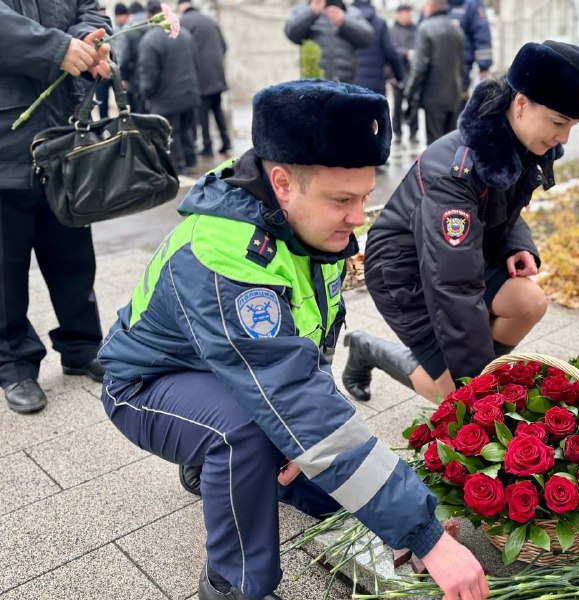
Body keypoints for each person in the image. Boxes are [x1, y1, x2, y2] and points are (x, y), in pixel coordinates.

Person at [97, 79, 489, 600]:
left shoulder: (305, 226)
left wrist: (309, 450)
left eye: (366, 197)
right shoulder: (224, 254)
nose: (358, 219)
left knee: (327, 492)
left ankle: (208, 468)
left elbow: (306, 360)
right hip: (144, 386)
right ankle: (232, 585)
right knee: (248, 434)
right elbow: (293, 398)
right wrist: (426, 536)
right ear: (282, 182)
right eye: (343, 200)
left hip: (222, 371)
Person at [342, 40, 579, 403]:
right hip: (405, 272)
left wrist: (517, 243)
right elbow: (452, 287)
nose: (564, 138)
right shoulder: (457, 172)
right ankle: (368, 349)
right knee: (455, 397)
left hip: (460, 256)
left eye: (572, 125)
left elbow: (503, 205)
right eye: (559, 122)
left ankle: (464, 373)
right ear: (521, 103)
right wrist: (482, 395)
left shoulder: (516, 141)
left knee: (528, 303)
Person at [0, 0, 112, 414]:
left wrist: (88, 40)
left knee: (73, 253)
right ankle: (14, 363)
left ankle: (82, 345)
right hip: (5, 137)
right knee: (5, 268)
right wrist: (55, 49)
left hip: (65, 133)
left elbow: (93, 9)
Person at [138, 0, 200, 173]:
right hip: (189, 93)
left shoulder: (149, 40)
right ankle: (191, 161)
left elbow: (149, 74)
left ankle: (178, 167)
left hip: (166, 97)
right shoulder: (185, 34)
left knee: (171, 134)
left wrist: (146, 94)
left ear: (149, 16)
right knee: (186, 129)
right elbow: (196, 63)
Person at [405, 0, 464, 144]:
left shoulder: (425, 28)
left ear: (431, 6)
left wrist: (410, 90)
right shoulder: (457, 29)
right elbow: (462, 64)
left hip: (433, 95)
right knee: (451, 144)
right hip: (454, 94)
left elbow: (419, 66)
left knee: (435, 145)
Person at [178, 0, 232, 156]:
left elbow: (184, 49)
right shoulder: (209, 20)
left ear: (182, 8)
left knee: (202, 111)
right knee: (217, 108)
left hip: (201, 74)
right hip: (217, 71)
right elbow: (224, 46)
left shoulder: (184, 22)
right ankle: (226, 141)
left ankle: (207, 145)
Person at [284, 0, 374, 84]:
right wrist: (311, 13)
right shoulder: (304, 10)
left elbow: (367, 39)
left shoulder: (351, 13)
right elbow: (291, 33)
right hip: (312, 82)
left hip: (345, 84)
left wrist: (344, 22)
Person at [352, 0, 405, 96]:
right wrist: (399, 77)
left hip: (350, 82)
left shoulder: (345, 21)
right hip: (376, 84)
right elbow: (391, 53)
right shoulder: (379, 23)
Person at [448, 0, 493, 104]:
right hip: (436, 66)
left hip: (461, 65)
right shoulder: (435, 4)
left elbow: (481, 34)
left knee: (459, 101)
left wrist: (484, 66)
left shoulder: (472, 4)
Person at [389, 3, 418, 144]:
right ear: (399, 14)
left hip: (414, 75)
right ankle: (398, 133)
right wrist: (405, 53)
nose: (408, 16)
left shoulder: (416, 29)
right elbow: (391, 52)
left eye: (410, 13)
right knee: (397, 105)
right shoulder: (391, 31)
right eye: (405, 13)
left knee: (414, 105)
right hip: (397, 75)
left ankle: (414, 133)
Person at [118, 1, 146, 112]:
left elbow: (125, 57)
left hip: (134, 77)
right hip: (152, 76)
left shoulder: (128, 29)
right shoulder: (151, 25)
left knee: (136, 111)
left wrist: (123, 77)